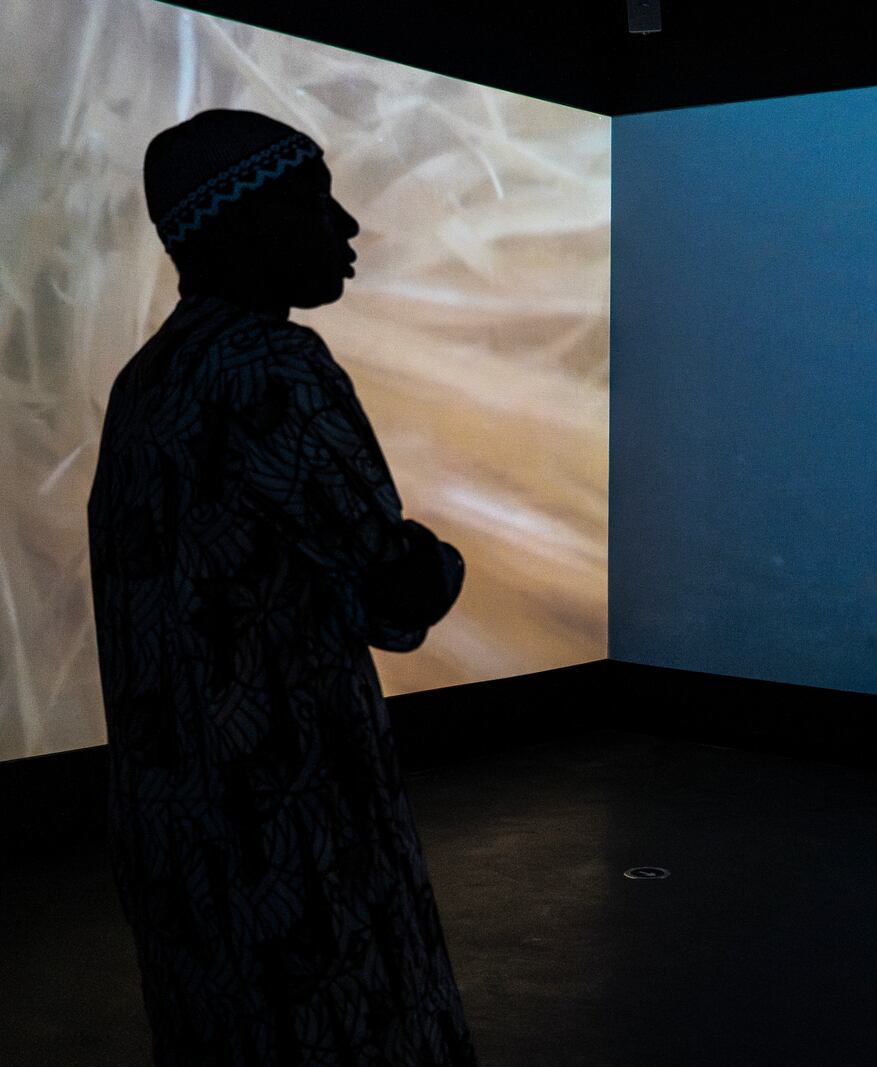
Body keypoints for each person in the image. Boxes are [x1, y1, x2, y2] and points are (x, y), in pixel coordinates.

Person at [87, 109, 476, 1066]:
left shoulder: (147, 382)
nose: (345, 227)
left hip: (175, 814)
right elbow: (394, 590)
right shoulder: (274, 367)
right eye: (314, 199)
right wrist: (439, 562)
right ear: (237, 225)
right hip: (293, 816)